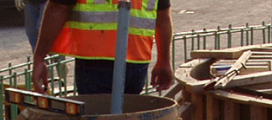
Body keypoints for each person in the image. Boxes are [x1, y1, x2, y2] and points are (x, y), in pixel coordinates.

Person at [30, 0, 173, 96]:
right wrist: (164, 60)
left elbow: (59, 8)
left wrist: (39, 57)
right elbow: (162, 17)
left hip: (95, 60)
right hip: (136, 61)